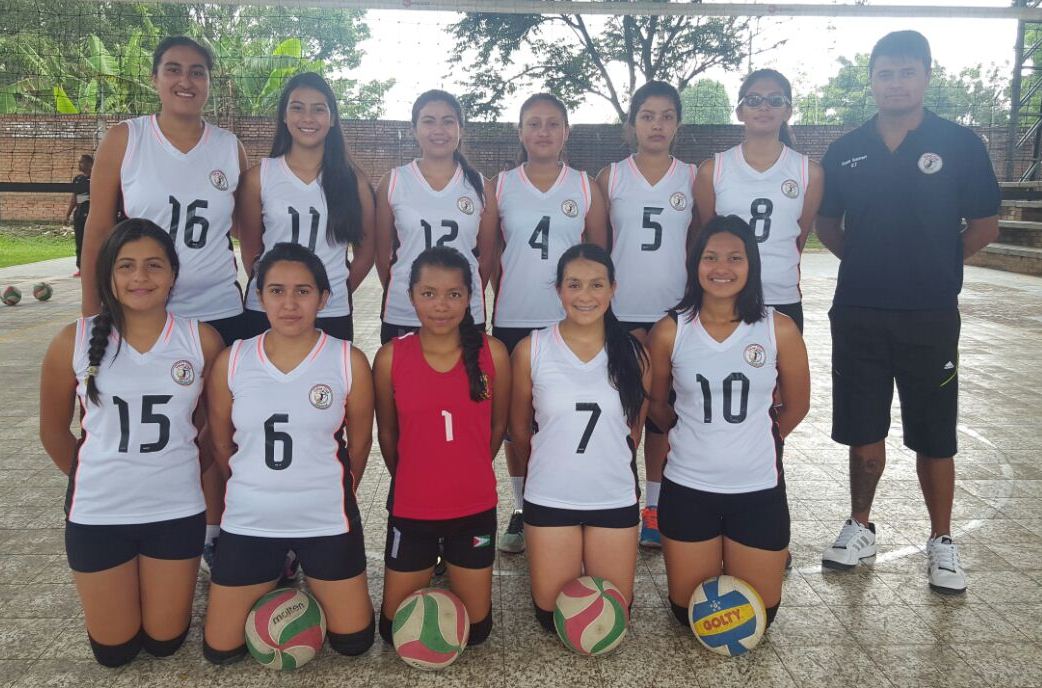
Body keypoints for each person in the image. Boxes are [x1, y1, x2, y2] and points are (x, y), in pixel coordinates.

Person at [815, 30, 1000, 594]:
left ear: (926, 75)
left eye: (906, 72)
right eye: (885, 74)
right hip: (860, 310)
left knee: (934, 433)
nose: (895, 83)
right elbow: (827, 225)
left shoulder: (959, 144)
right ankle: (860, 525)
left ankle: (941, 539)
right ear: (871, 81)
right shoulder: (846, 149)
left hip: (930, 314)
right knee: (863, 427)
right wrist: (871, 262)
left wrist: (935, 263)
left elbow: (984, 225)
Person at [77, 35, 250, 567]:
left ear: (209, 83)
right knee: (150, 423)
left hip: (217, 308)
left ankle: (216, 533)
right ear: (155, 79)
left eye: (197, 71)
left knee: (217, 426)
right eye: (173, 69)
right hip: (142, 313)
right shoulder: (126, 138)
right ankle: (143, 522)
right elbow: (99, 229)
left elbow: (249, 231)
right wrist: (91, 311)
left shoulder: (230, 147)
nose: (185, 80)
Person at [39, 219, 225, 667]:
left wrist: (183, 466)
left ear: (173, 274)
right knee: (115, 652)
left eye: (154, 265)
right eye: (126, 266)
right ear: (108, 274)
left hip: (175, 511)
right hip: (99, 514)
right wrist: (96, 476)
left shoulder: (201, 339)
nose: (140, 277)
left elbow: (214, 426)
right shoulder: (72, 341)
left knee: (165, 642)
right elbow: (53, 432)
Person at [202, 242, 375, 663]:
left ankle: (303, 569)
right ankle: (275, 570)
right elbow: (222, 443)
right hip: (251, 518)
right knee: (221, 650)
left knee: (354, 644)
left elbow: (360, 443)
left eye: (303, 291)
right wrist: (251, 488)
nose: (290, 303)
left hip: (325, 517)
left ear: (324, 298)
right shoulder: (233, 360)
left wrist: (335, 492)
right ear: (260, 297)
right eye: (277, 291)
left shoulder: (347, 360)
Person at [647, 214, 810, 631]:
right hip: (688, 488)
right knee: (689, 615)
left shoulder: (779, 329)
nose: (722, 268)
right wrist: (696, 435)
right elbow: (658, 405)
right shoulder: (669, 330)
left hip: (757, 490)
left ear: (751, 264)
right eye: (711, 257)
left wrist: (755, 438)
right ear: (695, 264)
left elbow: (797, 406)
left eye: (735, 258)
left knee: (757, 618)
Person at [372, 246, 511, 647]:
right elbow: (388, 435)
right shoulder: (390, 358)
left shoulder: (492, 353)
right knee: (394, 631)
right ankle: (432, 562)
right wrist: (416, 477)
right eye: (428, 293)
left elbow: (497, 426)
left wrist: (467, 468)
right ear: (411, 296)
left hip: (473, 507)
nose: (441, 306)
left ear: (469, 298)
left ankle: (452, 563)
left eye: (454, 294)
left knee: (476, 632)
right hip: (413, 507)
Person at [510, 244, 649, 631]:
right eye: (574, 284)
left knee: (611, 617)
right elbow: (519, 429)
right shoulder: (532, 349)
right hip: (551, 496)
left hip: (612, 496)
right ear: (558, 289)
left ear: (613, 288)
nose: (585, 295)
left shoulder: (634, 354)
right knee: (552, 617)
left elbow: (634, 428)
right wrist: (548, 466)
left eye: (596, 285)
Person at [493, 93, 609, 554]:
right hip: (514, 317)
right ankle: (525, 507)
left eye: (553, 123)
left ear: (566, 132)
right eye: (534, 123)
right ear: (520, 132)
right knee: (517, 422)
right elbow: (490, 256)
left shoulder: (584, 186)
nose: (543, 131)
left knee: (566, 413)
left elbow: (598, 256)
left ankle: (573, 499)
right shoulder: (500, 186)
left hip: (572, 321)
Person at [595, 80, 697, 549]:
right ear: (632, 123)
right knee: (622, 412)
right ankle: (617, 498)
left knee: (661, 413)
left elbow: (698, 244)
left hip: (674, 315)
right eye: (647, 116)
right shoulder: (610, 177)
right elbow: (599, 247)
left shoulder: (692, 177)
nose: (657, 125)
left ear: (678, 125)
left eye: (667, 116)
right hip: (621, 311)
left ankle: (654, 507)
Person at [237, 72, 376, 342]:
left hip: (331, 310)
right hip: (268, 311)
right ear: (284, 115)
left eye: (319, 109)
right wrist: (274, 291)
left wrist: (331, 291)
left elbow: (366, 252)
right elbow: (251, 251)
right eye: (298, 108)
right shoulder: (259, 177)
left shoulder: (353, 181)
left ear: (332, 118)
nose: (308, 118)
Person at [693, 69, 823, 333]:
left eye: (775, 100)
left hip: (782, 296)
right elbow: (707, 235)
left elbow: (798, 237)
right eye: (753, 100)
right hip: (726, 295)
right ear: (740, 112)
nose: (764, 107)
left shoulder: (809, 173)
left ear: (788, 111)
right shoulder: (712, 170)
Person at [374, 90, 498, 344]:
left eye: (448, 121)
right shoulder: (394, 181)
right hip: (404, 310)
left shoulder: (480, 187)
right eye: (429, 121)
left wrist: (462, 292)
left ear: (461, 129)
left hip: (463, 312)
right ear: (414, 129)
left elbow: (486, 258)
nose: (438, 130)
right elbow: (382, 254)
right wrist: (409, 290)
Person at [66, 154, 93, 277]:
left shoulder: (97, 177)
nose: (79, 165)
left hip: (91, 214)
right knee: (79, 242)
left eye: (81, 162)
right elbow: (74, 197)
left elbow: (98, 195)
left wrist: (85, 198)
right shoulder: (78, 179)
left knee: (92, 242)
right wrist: (67, 214)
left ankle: (93, 267)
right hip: (79, 215)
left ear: (89, 164)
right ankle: (81, 268)